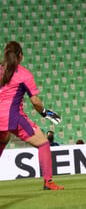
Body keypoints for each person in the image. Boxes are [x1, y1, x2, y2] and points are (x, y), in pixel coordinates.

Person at [0, 41, 64, 190]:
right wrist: (45, 113)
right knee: (43, 143)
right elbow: (35, 101)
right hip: (12, 118)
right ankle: (48, 182)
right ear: (20, 56)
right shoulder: (23, 74)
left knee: (4, 138)